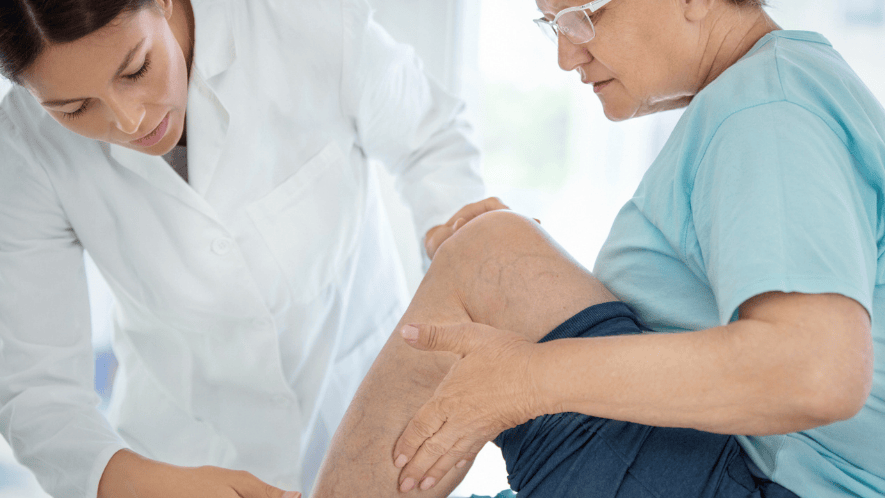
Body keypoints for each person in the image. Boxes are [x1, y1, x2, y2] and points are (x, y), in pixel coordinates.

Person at [310, 0, 885, 497]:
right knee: (496, 258)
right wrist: (523, 286)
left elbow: (816, 371)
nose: (567, 55)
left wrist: (527, 378)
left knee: (489, 253)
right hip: (747, 469)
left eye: (584, 15)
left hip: (773, 484)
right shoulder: (776, 90)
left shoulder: (766, 111)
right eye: (553, 25)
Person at [0, 0, 503, 496]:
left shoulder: (299, 20)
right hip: (177, 451)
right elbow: (37, 388)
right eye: (74, 108)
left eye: (136, 70)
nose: (129, 120)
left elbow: (431, 138)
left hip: (365, 411)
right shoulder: (25, 143)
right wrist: (129, 480)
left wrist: (453, 238)